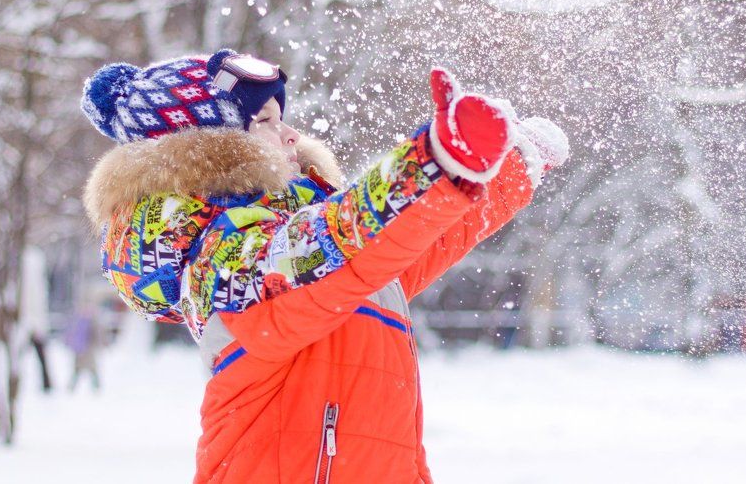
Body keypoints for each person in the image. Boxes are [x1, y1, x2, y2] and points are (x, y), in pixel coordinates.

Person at [80, 50, 569, 484]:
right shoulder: (222, 263)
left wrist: (504, 164)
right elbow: (319, 250)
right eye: (265, 121)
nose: (291, 134)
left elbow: (421, 236)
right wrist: (431, 164)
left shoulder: (349, 256)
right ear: (213, 149)